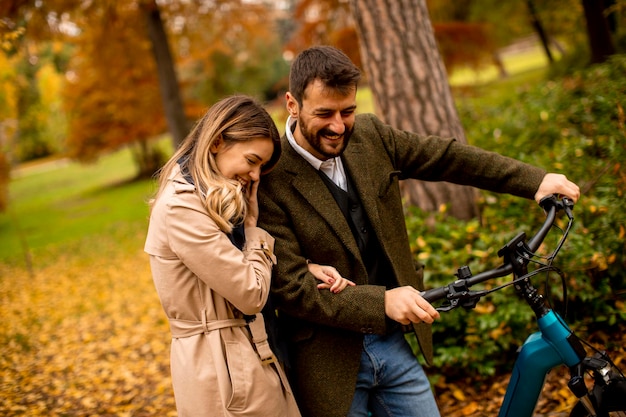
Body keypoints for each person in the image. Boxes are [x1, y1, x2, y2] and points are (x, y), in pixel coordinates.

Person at [257, 46, 581, 417]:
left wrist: (535, 180)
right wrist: (381, 302)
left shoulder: (371, 135)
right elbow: (291, 286)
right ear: (292, 104)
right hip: (329, 366)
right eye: (324, 114)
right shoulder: (270, 179)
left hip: (394, 345)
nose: (338, 125)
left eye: (348, 111)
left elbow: (447, 157)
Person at [144, 94, 353, 417]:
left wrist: (302, 267)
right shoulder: (181, 207)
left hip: (244, 354)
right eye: (252, 160)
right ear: (216, 142)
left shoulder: (206, 196)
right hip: (225, 370)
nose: (255, 176)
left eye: (261, 166)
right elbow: (250, 292)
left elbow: (228, 264)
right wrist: (254, 227)